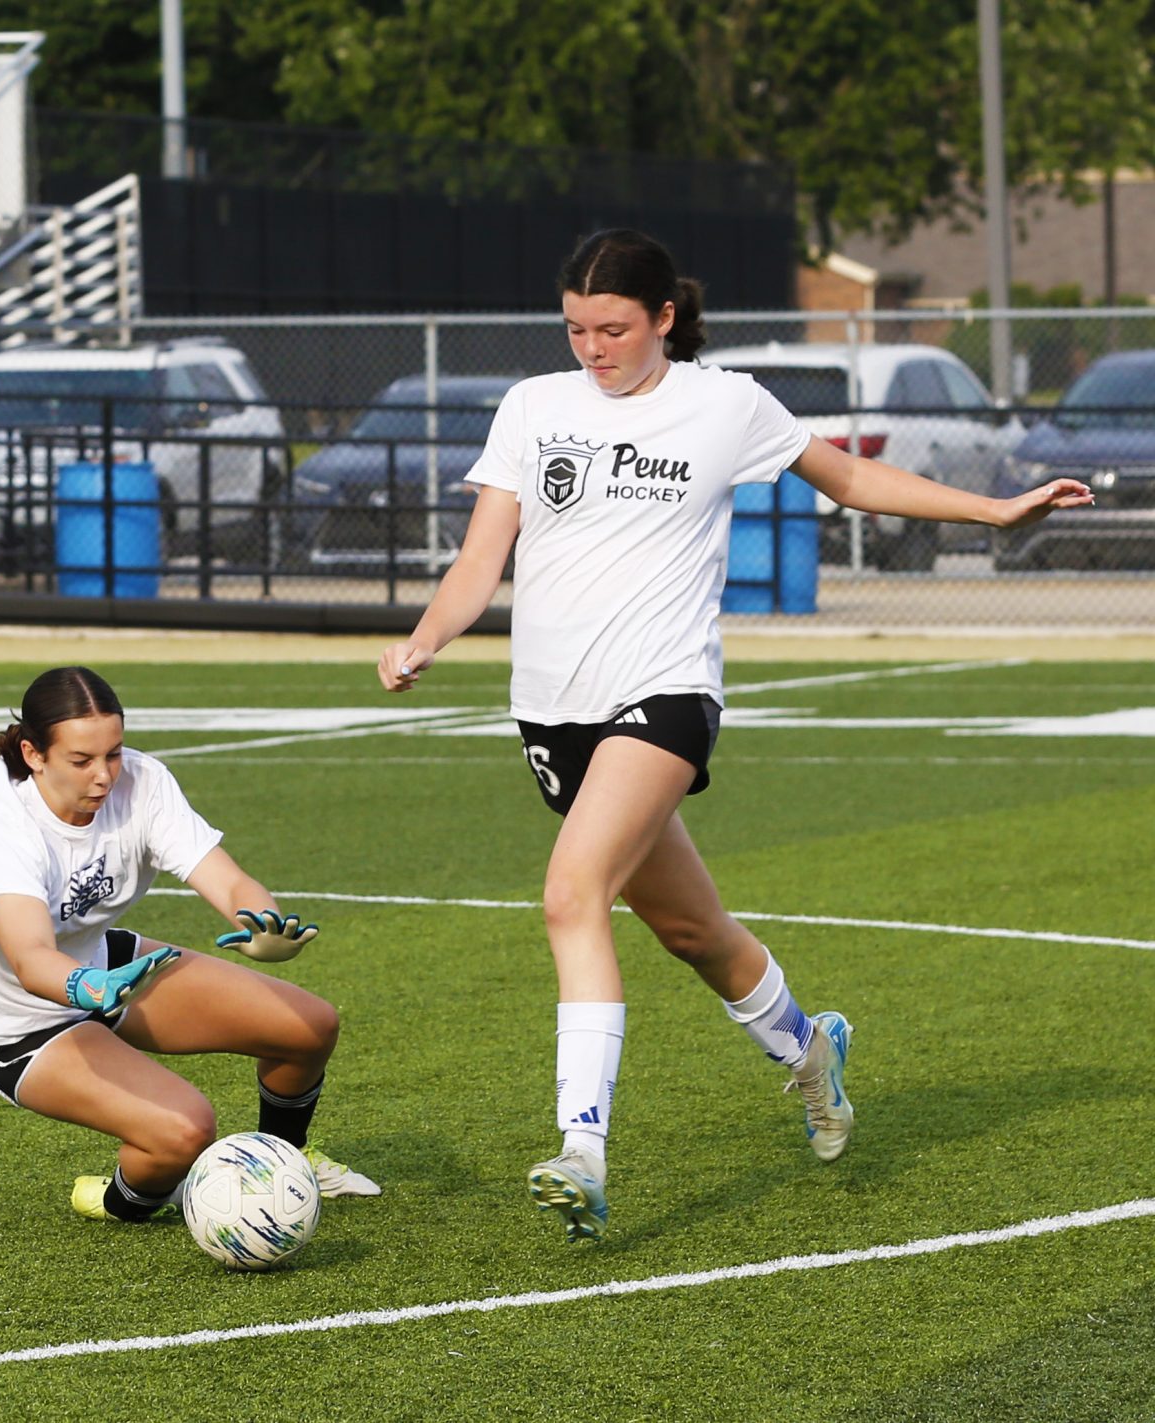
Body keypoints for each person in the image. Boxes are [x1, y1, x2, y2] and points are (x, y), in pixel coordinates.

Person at [378, 228, 1092, 1245]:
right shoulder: (533, 407)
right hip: (550, 712)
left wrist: (994, 511)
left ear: (664, 317)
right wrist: (425, 637)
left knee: (571, 894)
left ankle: (581, 1150)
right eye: (577, 329)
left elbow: (850, 480)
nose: (593, 348)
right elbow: (481, 555)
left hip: (665, 695)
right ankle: (808, 1047)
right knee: (692, 932)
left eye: (614, 328)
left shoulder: (728, 404)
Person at [0, 664, 381, 1225]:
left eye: (114, 753)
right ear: (33, 754)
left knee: (309, 1027)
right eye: (81, 760)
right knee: (184, 1131)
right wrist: (89, 987)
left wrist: (262, 923)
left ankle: (283, 1162)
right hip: (16, 1020)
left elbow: (228, 881)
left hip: (104, 965)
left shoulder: (142, 783)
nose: (104, 776)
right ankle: (120, 1202)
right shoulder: (8, 826)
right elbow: (30, 958)